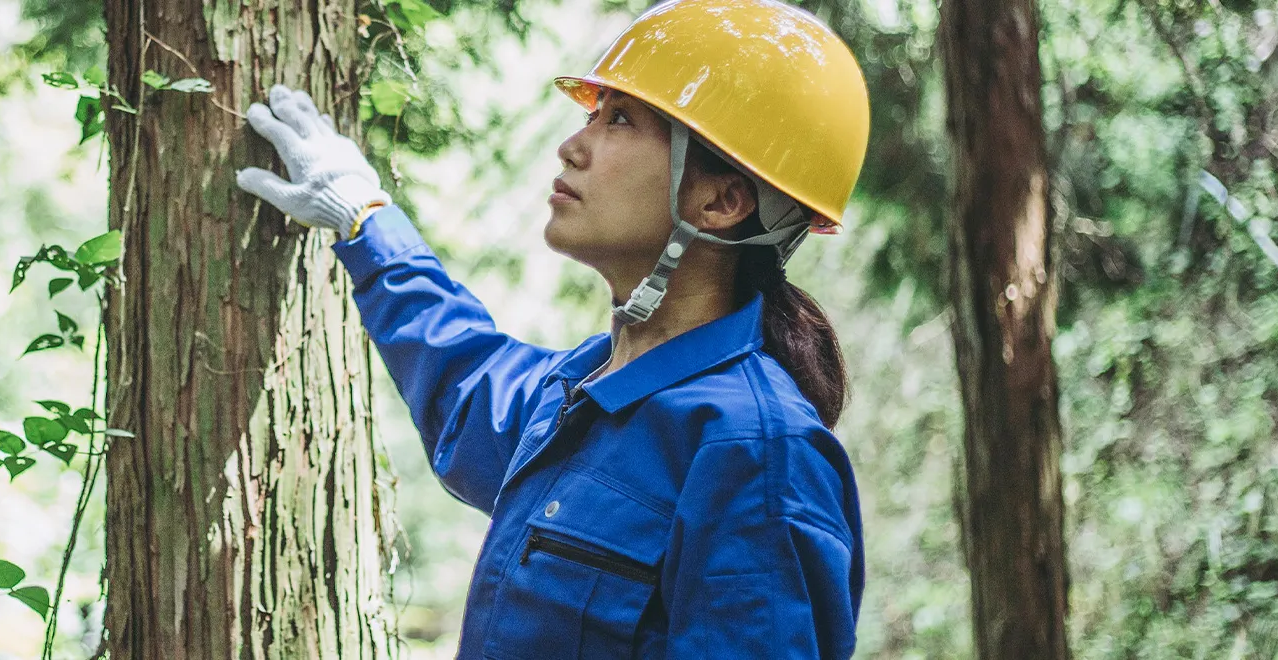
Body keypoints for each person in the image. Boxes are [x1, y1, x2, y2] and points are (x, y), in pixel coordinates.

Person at [235, 0, 869, 656]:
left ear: (722, 201)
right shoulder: (583, 391)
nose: (573, 144)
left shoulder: (757, 454)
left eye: (620, 119)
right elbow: (463, 372)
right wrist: (364, 216)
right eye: (593, 114)